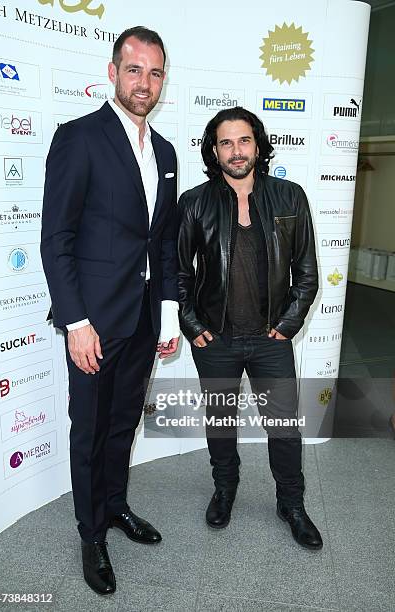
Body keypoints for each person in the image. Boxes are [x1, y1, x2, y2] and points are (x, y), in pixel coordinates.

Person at [41, 26, 179, 595]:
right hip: (93, 324)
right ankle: (90, 533)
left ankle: (116, 507)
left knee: (124, 425)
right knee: (90, 431)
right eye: (134, 69)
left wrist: (168, 316)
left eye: (154, 72)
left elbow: (165, 241)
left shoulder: (167, 152)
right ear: (112, 72)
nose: (143, 82)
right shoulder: (79, 138)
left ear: (162, 80)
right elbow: (57, 239)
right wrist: (75, 322)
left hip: (143, 321)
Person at [177, 106, 323, 550]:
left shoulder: (290, 197)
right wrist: (191, 323)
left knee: (284, 428)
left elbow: (308, 272)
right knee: (220, 422)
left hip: (269, 339)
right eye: (226, 142)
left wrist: (288, 323)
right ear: (214, 150)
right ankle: (225, 490)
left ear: (257, 145)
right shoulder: (194, 202)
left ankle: (292, 504)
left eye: (243, 141)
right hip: (215, 339)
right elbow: (179, 274)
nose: (236, 151)